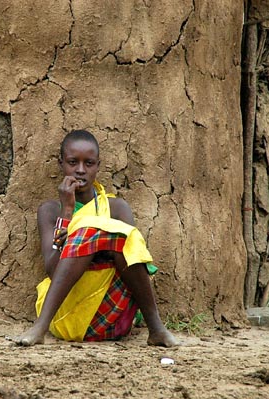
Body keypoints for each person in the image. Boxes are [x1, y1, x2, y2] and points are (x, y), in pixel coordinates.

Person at [11, 129, 179, 347]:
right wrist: (68, 212)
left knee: (121, 238)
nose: (80, 170)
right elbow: (53, 269)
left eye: (89, 163)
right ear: (61, 163)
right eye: (73, 162)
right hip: (67, 317)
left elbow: (132, 259)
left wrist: (96, 241)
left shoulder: (116, 208)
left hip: (113, 316)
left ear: (98, 166)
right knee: (91, 232)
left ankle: (155, 328)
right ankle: (40, 327)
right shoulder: (50, 211)